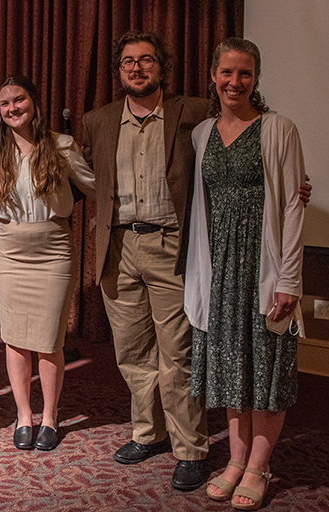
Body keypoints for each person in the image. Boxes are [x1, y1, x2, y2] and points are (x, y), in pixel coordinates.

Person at [81, 31, 212, 490]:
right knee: (133, 352)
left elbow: (249, 135)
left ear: (162, 67)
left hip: (172, 246)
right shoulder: (97, 120)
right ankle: (148, 432)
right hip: (118, 248)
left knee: (178, 354)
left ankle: (191, 448)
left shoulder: (194, 112)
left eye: (146, 61)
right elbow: (79, 175)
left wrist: (288, 177)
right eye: (128, 63)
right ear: (118, 71)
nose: (136, 69)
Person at [184, 37, 305, 511]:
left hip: (265, 266)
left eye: (245, 74)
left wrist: (289, 279)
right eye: (227, 73)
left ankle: (259, 465)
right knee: (234, 368)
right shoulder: (201, 133)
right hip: (220, 269)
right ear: (214, 76)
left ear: (257, 78)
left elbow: (294, 205)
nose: (235, 82)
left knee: (268, 368)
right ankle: (235, 461)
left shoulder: (279, 128)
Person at [0, 76, 94, 451]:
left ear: (34, 103)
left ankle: (49, 415)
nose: (13, 108)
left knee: (49, 340)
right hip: (12, 249)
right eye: (5, 103)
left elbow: (94, 184)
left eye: (20, 100)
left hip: (53, 248)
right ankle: (23, 415)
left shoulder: (61, 145)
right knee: (15, 338)